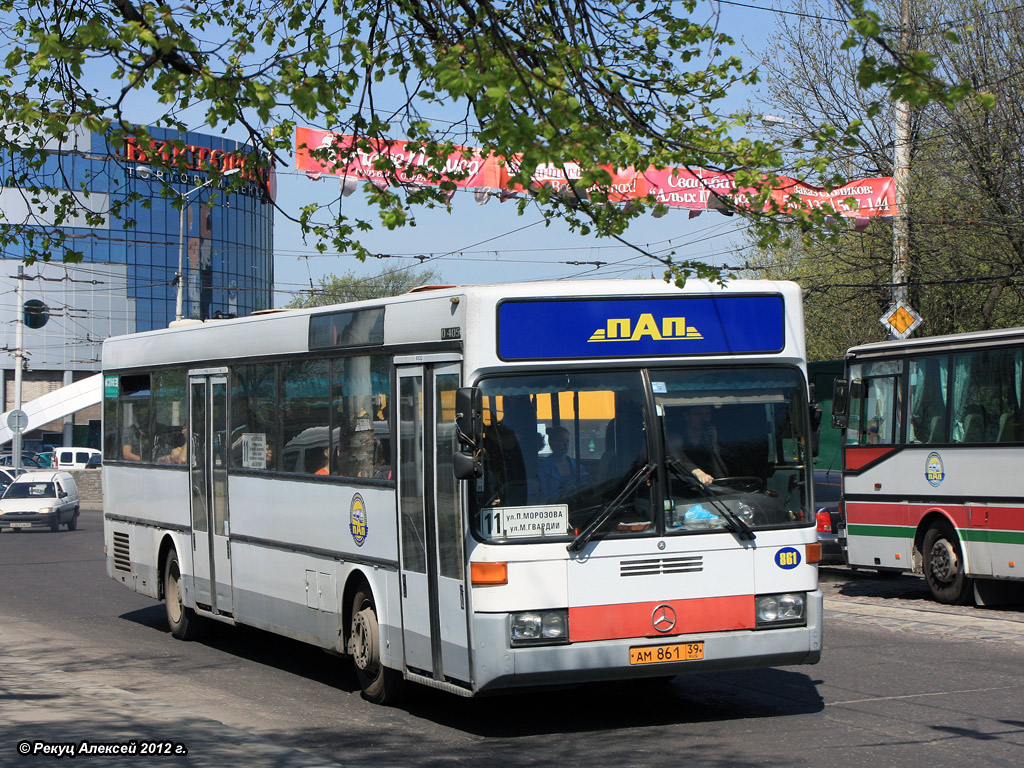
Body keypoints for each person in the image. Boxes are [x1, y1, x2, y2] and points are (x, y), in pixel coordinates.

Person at [671, 404, 727, 485]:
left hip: (710, 489)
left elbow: (721, 475)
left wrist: (713, 445)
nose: (704, 418)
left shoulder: (708, 440)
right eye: (698, 413)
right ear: (686, 416)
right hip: (682, 488)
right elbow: (679, 460)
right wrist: (699, 473)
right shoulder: (675, 438)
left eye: (707, 414)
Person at [538, 425, 588, 501]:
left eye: (567, 441)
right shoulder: (543, 468)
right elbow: (543, 496)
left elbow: (585, 488)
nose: (566, 444)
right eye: (561, 441)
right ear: (551, 443)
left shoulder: (576, 466)